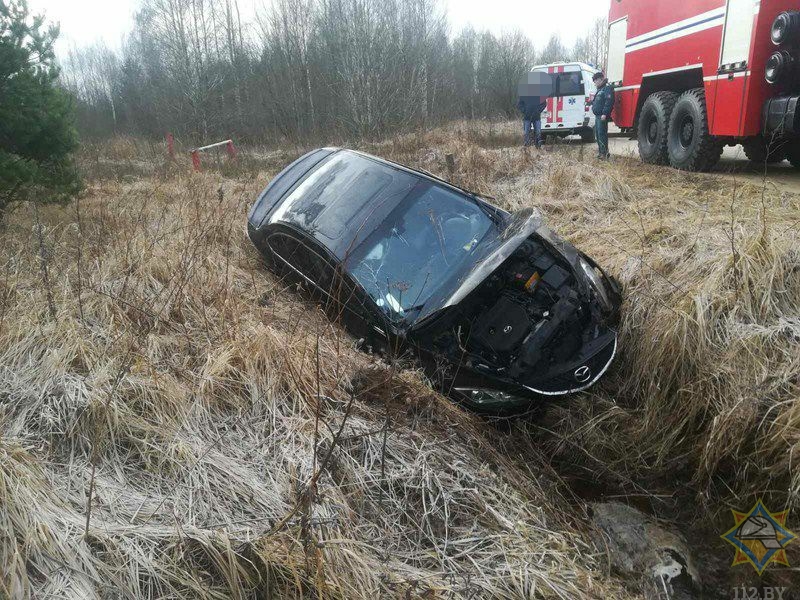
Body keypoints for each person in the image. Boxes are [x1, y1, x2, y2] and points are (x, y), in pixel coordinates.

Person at [591, 71, 615, 159]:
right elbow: (598, 101)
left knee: (602, 134)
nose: (595, 83)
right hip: (598, 116)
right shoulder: (599, 90)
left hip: (602, 116)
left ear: (600, 79)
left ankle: (604, 153)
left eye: (595, 81)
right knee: (598, 134)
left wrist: (605, 113)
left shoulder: (607, 88)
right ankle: (601, 152)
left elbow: (609, 101)